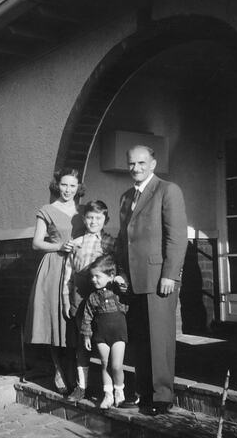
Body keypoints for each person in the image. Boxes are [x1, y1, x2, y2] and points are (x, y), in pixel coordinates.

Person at [117, 144, 187, 415]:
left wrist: (170, 274)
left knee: (159, 339)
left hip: (159, 278)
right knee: (140, 339)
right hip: (133, 280)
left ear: (153, 164)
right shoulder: (126, 196)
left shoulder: (167, 190)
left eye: (141, 163)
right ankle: (144, 392)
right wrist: (121, 273)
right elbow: (124, 240)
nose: (136, 168)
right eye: (132, 163)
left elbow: (177, 237)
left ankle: (161, 397)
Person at [24, 167, 85, 394]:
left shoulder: (84, 211)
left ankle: (79, 376)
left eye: (72, 185)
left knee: (75, 320)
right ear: (57, 185)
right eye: (64, 185)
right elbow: (37, 243)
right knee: (55, 318)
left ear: (79, 187)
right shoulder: (47, 210)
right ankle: (59, 370)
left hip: (79, 267)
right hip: (54, 266)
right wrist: (59, 246)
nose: (68, 190)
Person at [62, 200, 116, 401]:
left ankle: (108, 390)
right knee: (81, 344)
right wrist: (67, 301)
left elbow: (116, 270)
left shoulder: (111, 243)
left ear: (105, 220)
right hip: (79, 296)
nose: (93, 221)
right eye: (90, 217)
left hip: (102, 300)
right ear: (84, 219)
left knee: (104, 343)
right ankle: (81, 387)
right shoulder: (76, 243)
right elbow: (68, 273)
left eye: (98, 218)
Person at [80, 255, 128, 409]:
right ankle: (108, 395)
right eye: (92, 276)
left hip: (119, 334)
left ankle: (119, 391)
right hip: (101, 335)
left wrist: (119, 281)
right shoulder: (93, 298)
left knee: (116, 366)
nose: (94, 280)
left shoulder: (119, 293)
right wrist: (87, 335)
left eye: (98, 276)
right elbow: (87, 317)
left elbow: (126, 291)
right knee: (105, 364)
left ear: (111, 276)